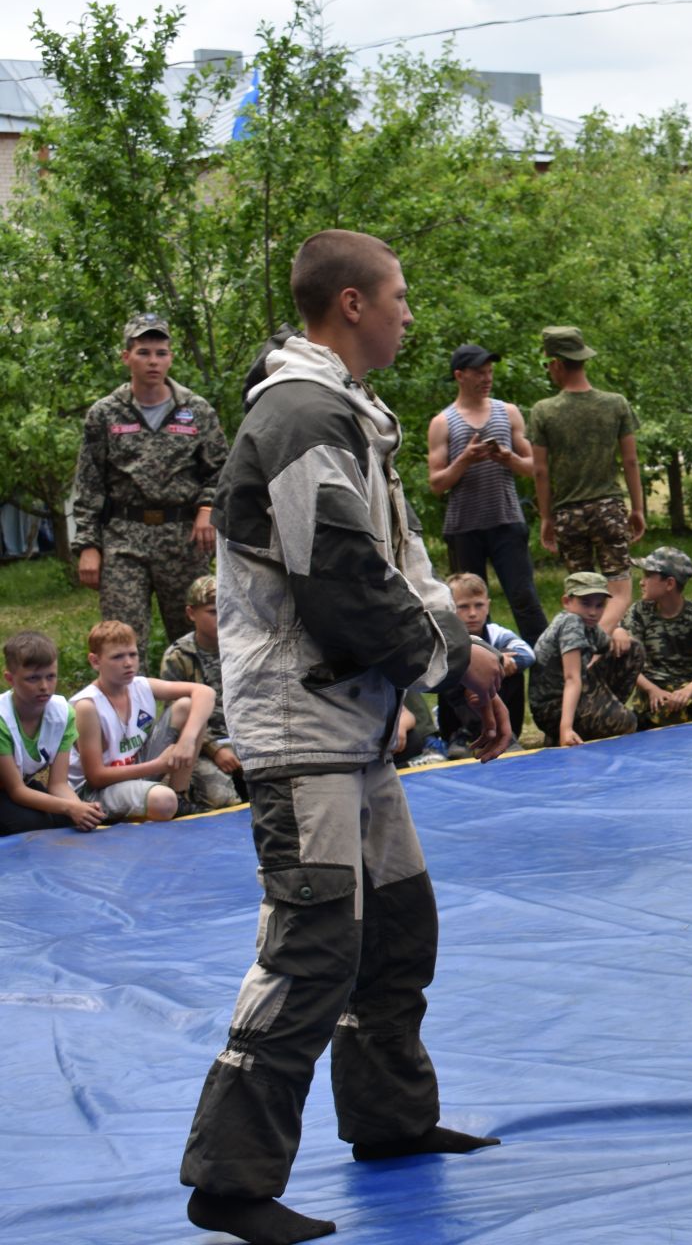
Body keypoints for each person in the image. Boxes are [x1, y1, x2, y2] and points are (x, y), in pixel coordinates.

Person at [179, 229, 512, 1245]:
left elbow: (396, 564)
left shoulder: (343, 412)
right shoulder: (299, 414)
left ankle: (389, 1117)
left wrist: (460, 664)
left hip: (354, 724)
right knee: (311, 943)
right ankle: (230, 1179)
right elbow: (339, 579)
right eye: (400, 295)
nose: (411, 312)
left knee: (399, 924)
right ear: (354, 304)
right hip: (304, 724)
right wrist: (458, 665)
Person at [72, 313, 230, 668]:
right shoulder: (105, 413)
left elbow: (221, 471)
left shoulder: (196, 410)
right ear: (126, 357)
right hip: (124, 538)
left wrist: (208, 509)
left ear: (171, 357)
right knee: (121, 641)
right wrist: (88, 546)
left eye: (161, 352)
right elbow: (89, 483)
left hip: (183, 537)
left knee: (196, 637)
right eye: (144, 352)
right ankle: (129, 721)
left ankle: (201, 716)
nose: (153, 361)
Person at [529, 326, 646, 655]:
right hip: (609, 509)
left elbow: (540, 470)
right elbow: (631, 461)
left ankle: (584, 648)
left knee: (582, 594)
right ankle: (599, 643)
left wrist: (546, 516)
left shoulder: (543, 411)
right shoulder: (615, 404)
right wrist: (637, 509)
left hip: (568, 515)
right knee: (619, 591)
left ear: (556, 363)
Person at [427, 344, 548, 647]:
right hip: (464, 527)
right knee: (469, 606)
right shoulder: (443, 422)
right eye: (479, 373)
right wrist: (466, 459)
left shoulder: (507, 412)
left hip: (506, 521)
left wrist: (508, 458)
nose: (487, 378)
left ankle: (549, 671)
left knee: (524, 598)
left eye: (490, 372)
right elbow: (437, 483)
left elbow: (534, 466)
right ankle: (482, 669)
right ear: (459, 376)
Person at [69, 620, 213, 823]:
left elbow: (205, 692)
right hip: (94, 792)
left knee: (187, 707)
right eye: (117, 657)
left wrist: (187, 741)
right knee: (163, 801)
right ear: (95, 661)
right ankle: (165, 801)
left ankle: (181, 797)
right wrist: (157, 765)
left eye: (132, 654)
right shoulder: (87, 706)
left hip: (134, 771)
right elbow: (95, 777)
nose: (128, 663)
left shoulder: (140, 686)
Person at [0, 630, 104, 836]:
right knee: (31, 825)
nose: (44, 686)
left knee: (66, 819)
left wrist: (81, 809)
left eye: (51, 676)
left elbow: (58, 784)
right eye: (32, 679)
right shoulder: (2, 720)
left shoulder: (63, 713)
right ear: (10, 679)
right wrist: (70, 808)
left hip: (18, 787)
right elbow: (17, 791)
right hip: (11, 789)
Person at [158, 575, 245, 808]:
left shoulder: (245, 647)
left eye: (226, 607)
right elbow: (178, 716)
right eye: (212, 611)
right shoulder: (179, 657)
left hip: (247, 739)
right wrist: (214, 750)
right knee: (224, 802)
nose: (221, 616)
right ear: (191, 613)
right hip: (201, 748)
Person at [624, 547, 692, 730]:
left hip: (690, 687)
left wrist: (688, 691)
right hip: (656, 688)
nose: (641, 582)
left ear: (669, 584)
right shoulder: (638, 612)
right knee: (669, 710)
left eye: (648, 576)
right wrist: (651, 690)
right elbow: (628, 664)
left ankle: (685, 716)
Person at [528, 571, 641, 746]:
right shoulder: (571, 622)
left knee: (633, 649)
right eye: (585, 603)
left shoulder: (588, 624)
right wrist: (565, 728)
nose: (593, 612)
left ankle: (602, 714)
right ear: (567, 602)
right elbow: (572, 678)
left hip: (576, 692)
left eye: (599, 605)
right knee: (626, 722)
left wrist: (619, 630)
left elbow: (608, 645)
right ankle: (565, 732)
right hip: (552, 707)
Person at [440, 572, 536, 747]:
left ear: (488, 606)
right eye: (463, 607)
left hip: (493, 703)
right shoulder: (444, 635)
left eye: (478, 605)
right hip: (458, 717)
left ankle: (507, 733)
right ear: (449, 607)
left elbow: (528, 654)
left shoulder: (495, 633)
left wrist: (499, 662)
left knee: (511, 672)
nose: (472, 613)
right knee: (450, 670)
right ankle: (462, 736)